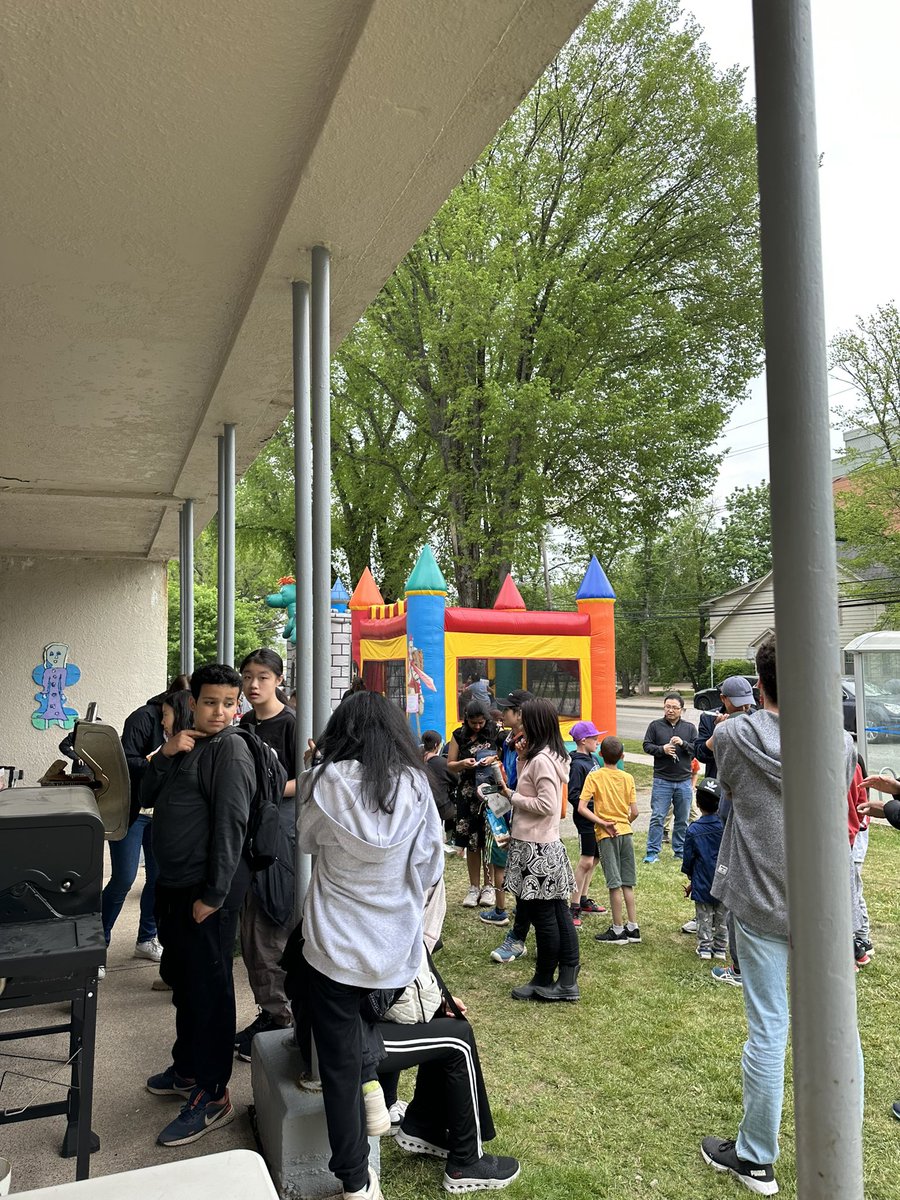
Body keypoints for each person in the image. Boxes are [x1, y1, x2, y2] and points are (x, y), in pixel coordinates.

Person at [700, 638, 858, 1195]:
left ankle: (755, 1157)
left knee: (768, 1028)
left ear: (759, 681)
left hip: (761, 901)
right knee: (837, 1030)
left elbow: (724, 786)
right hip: (824, 907)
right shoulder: (840, 743)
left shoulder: (733, 737)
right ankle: (839, 1153)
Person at [284, 691, 445, 1200]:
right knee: (363, 1019)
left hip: (333, 942)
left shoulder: (323, 781)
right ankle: (372, 1081)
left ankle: (355, 1181)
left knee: (335, 1065)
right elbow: (431, 865)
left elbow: (306, 840)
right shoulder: (417, 784)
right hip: (394, 944)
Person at [143, 664, 256, 1148]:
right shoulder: (187, 745)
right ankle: (187, 1068)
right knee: (185, 985)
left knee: (209, 993)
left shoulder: (230, 749)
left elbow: (232, 825)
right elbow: (145, 796)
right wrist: (166, 753)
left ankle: (213, 1093)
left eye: (229, 703)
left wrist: (213, 896)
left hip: (203, 894)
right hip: (173, 888)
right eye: (211, 702)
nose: (220, 712)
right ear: (193, 703)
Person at [100, 675, 191, 976]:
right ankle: (97, 945)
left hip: (163, 817)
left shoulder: (191, 730)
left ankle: (146, 939)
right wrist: (158, 759)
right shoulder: (142, 718)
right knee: (123, 879)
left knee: (157, 880)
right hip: (133, 811)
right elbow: (124, 762)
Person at [235, 649, 297, 1061]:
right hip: (251, 831)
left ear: (278, 679)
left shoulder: (290, 724)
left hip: (279, 836)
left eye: (262, 676)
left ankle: (281, 1017)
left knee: (270, 923)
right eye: (247, 676)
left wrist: (264, 792)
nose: (253, 684)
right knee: (251, 929)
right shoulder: (245, 723)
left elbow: (304, 779)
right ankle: (272, 1012)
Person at [496, 698, 580, 1002]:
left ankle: (546, 979)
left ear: (535, 723)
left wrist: (511, 796)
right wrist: (521, 759)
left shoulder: (543, 759)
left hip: (537, 850)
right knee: (557, 912)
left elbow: (546, 804)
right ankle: (564, 980)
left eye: (524, 719)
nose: (520, 724)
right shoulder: (547, 755)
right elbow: (533, 786)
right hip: (541, 845)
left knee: (545, 917)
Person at [578, 736, 639, 947]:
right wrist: (624, 823)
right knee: (627, 881)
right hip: (626, 833)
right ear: (622, 756)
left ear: (600, 754)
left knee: (614, 883)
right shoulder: (628, 778)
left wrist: (602, 822)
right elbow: (635, 812)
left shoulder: (594, 777)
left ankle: (618, 930)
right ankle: (633, 927)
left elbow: (582, 808)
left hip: (607, 835)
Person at [489, 690, 534, 963]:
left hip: (528, 820)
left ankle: (519, 937)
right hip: (510, 810)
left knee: (529, 880)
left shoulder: (532, 745)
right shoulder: (510, 740)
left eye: (506, 710)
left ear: (520, 714)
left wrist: (509, 792)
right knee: (520, 876)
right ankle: (520, 930)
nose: (502, 714)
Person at [447, 702, 501, 908]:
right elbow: (450, 765)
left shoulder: (495, 731)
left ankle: (489, 887)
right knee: (471, 841)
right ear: (466, 720)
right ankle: (473, 887)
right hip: (467, 793)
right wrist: (462, 764)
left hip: (490, 791)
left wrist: (493, 758)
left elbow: (504, 754)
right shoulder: (458, 735)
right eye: (473, 723)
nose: (478, 726)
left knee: (488, 840)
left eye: (481, 722)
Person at [642, 693, 697, 864]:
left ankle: (680, 851)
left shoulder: (689, 728)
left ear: (681, 710)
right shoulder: (655, 726)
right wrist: (662, 749)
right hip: (662, 779)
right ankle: (652, 852)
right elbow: (646, 745)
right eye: (667, 707)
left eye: (674, 707)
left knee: (682, 819)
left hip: (684, 781)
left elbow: (696, 749)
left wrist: (683, 743)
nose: (670, 710)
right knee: (658, 817)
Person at [567, 720, 608, 926]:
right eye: (594, 738)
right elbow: (573, 795)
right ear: (583, 741)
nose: (597, 741)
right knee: (585, 861)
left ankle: (583, 899)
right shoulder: (576, 765)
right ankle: (573, 906)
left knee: (595, 859)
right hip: (586, 819)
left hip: (598, 816)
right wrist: (590, 808)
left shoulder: (594, 759)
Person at [681, 777, 727, 961]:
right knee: (722, 916)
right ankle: (721, 948)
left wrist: (690, 876)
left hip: (702, 879)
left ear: (698, 803)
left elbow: (689, 857)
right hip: (724, 880)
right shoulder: (725, 826)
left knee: (704, 916)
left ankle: (705, 948)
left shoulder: (694, 829)